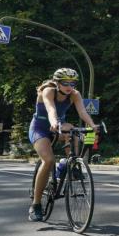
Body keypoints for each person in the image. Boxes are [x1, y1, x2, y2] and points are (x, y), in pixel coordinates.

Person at [28, 68, 98, 222]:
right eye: (65, 82)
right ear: (57, 83)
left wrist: (92, 125)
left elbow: (82, 112)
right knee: (48, 160)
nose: (69, 86)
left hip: (59, 126)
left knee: (74, 133)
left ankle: (71, 164)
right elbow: (51, 109)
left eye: (72, 83)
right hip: (40, 128)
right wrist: (54, 123)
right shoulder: (48, 91)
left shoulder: (75, 94)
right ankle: (36, 204)